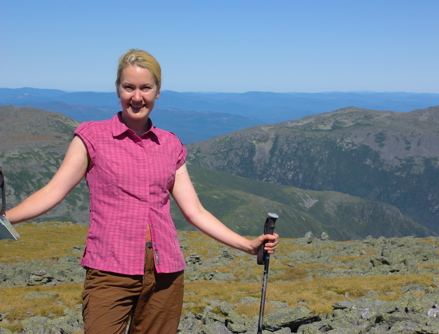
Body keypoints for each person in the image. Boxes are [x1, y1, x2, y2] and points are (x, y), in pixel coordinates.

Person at [5, 49, 279, 334]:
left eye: (146, 88)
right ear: (118, 90)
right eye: (129, 88)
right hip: (109, 270)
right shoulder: (91, 137)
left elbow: (194, 211)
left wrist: (247, 246)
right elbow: (53, 192)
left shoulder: (170, 145)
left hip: (166, 273)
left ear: (157, 91)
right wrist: (4, 219)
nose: (137, 97)